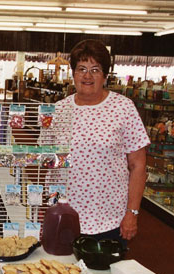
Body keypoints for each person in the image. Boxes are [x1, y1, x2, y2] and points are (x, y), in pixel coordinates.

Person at [56, 39, 150, 246]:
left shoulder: (123, 108)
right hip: (64, 216)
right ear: (73, 74)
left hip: (110, 220)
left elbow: (138, 165)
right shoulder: (58, 110)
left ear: (105, 75)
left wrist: (132, 213)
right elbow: (46, 161)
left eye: (95, 69)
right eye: (81, 68)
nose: (87, 76)